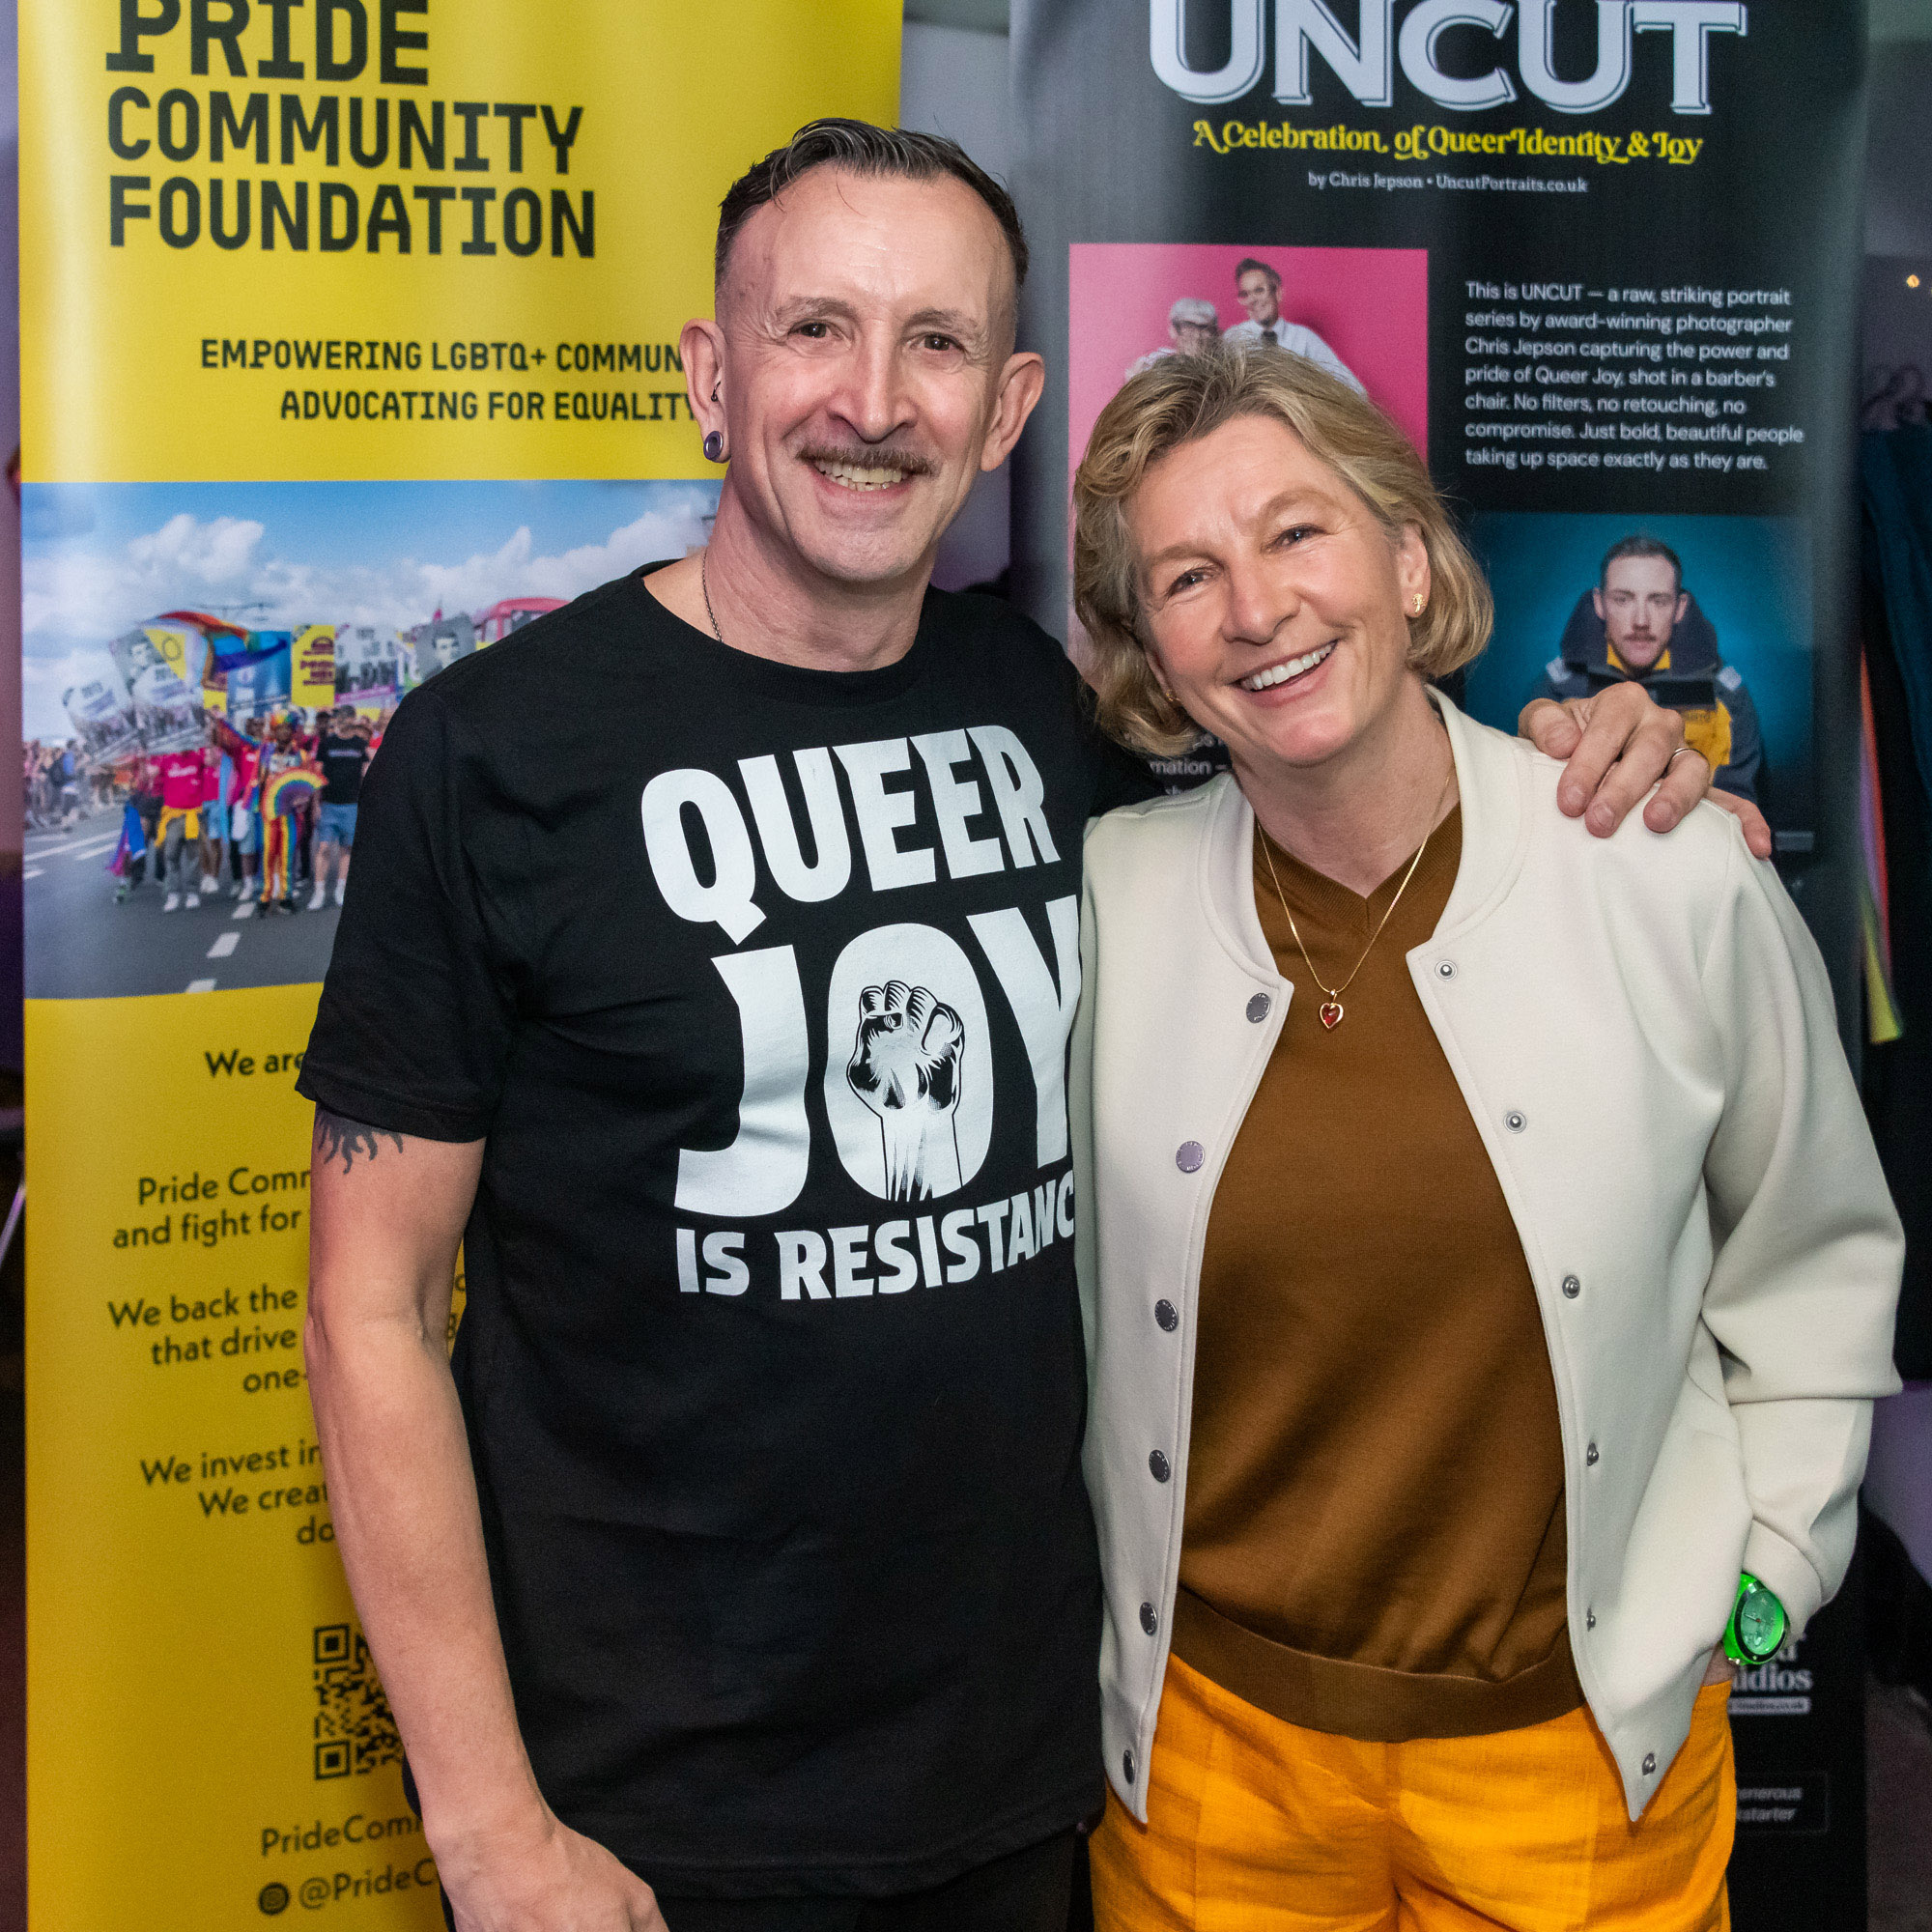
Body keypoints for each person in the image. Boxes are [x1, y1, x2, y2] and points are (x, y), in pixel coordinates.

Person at [296, 120, 1722, 1932]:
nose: (872, 401)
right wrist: (490, 1831)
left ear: (1006, 408)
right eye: (815, 330)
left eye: (938, 343)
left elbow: (1328, 759)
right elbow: (367, 1311)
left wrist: (1603, 760)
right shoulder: (494, 752)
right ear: (713, 379)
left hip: (1041, 1765)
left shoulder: (1040, 707)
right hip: (648, 1812)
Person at [1066, 348, 1902, 1928]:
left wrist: (1763, 1582)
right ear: (1153, 653)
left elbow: (1816, 1255)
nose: (1256, 607)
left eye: (1297, 533)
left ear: (1405, 558)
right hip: (1209, 1766)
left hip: (1579, 1766)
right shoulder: (1108, 898)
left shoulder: (1664, 872)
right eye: (1187, 575)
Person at [1532, 534, 1766, 803]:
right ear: (1599, 603)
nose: (1641, 621)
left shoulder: (1723, 694)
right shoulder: (1558, 688)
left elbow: (1736, 808)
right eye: (1623, 599)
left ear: (1680, 607)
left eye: (1658, 601)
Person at [1221, 258, 1363, 393]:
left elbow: (1355, 388)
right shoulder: (1233, 338)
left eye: (1259, 290)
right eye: (1245, 294)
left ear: (1278, 293)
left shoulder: (1304, 338)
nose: (1252, 300)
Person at [310, 707, 372, 910]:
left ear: (353, 720)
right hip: (329, 805)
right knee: (323, 848)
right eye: (340, 718)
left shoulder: (360, 745)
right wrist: (315, 804)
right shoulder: (327, 743)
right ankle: (319, 891)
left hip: (351, 805)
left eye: (346, 718)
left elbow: (365, 775)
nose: (343, 721)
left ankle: (341, 889)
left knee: (347, 848)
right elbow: (317, 776)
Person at [1125, 298, 1220, 380]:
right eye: (1188, 326)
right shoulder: (1152, 365)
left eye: (1203, 328)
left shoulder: (1219, 370)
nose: (1196, 335)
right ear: (1173, 330)